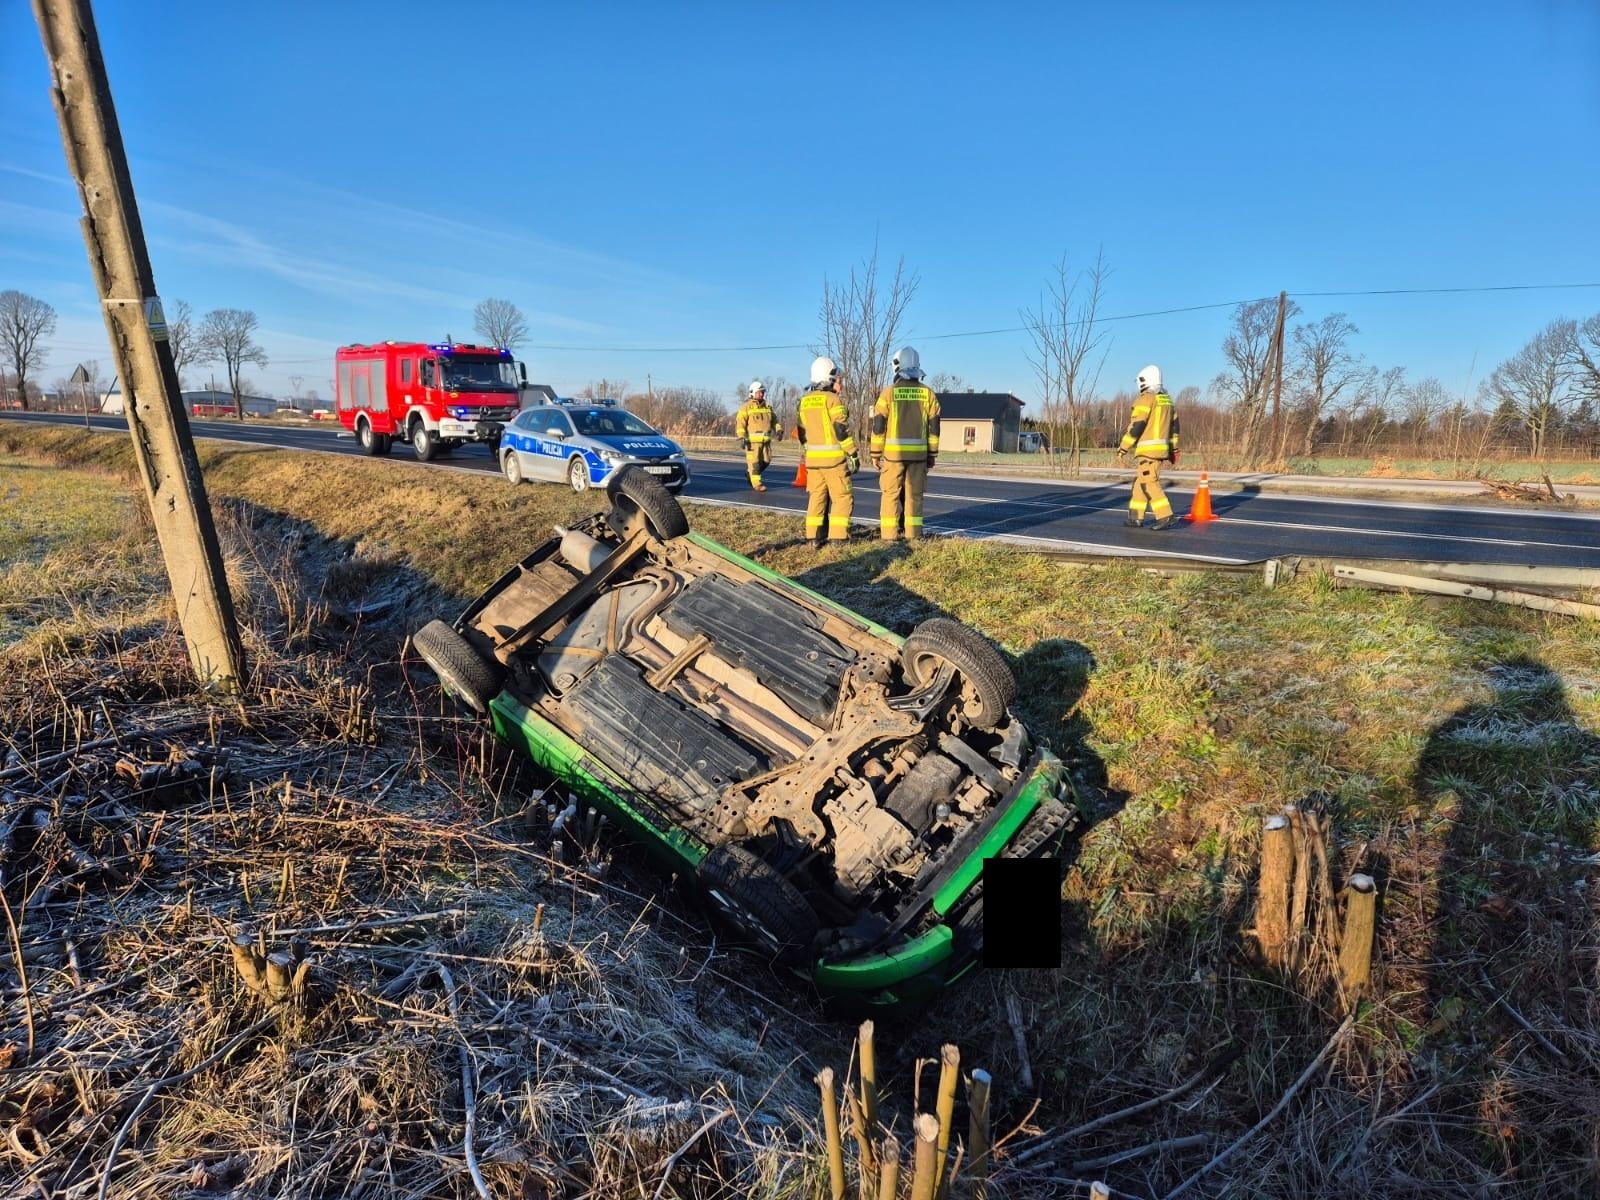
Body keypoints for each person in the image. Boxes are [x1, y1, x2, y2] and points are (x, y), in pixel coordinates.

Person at [870, 347, 940, 541]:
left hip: (893, 457)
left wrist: (875, 454)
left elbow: (878, 427)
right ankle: (914, 536)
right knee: (914, 497)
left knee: (890, 496)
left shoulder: (888, 394)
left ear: (897, 366)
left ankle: (889, 537)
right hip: (918, 457)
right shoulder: (928, 394)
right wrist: (932, 455)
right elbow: (934, 429)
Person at [795, 356, 858, 547]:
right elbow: (841, 430)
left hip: (813, 462)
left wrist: (809, 452)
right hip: (834, 462)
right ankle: (838, 538)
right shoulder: (833, 400)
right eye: (836, 378)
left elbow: (801, 432)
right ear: (829, 377)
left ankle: (813, 538)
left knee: (816, 498)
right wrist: (852, 453)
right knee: (842, 497)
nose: (839, 381)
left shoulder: (804, 401)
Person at [1117, 364, 1181, 530]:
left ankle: (1166, 515)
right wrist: (1174, 449)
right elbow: (1175, 427)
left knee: (1149, 483)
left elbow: (1137, 425)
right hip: (1161, 451)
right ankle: (1135, 518)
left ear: (1144, 380)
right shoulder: (1167, 401)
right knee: (1140, 482)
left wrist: (1124, 447)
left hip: (1148, 452)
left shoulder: (1145, 399)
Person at [734, 380, 778, 491]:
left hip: (766, 441)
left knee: (767, 461)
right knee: (755, 464)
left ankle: (750, 473)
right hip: (752, 443)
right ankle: (757, 484)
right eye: (759, 392)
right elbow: (740, 422)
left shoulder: (768, 407)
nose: (762, 394)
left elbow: (774, 420)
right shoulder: (746, 407)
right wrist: (741, 437)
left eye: (763, 392)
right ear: (753, 393)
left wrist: (779, 430)